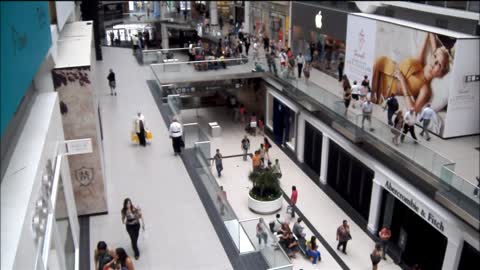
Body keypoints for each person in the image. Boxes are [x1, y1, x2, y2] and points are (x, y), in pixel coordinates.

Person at [371, 32, 452, 113]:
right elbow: (430, 33)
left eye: (439, 64)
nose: (434, 62)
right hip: (385, 69)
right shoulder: (419, 62)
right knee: (380, 60)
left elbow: (413, 110)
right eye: (434, 57)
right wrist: (435, 51)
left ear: (441, 74)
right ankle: (372, 93)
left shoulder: (425, 89)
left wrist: (403, 81)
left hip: (387, 86)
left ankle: (373, 95)